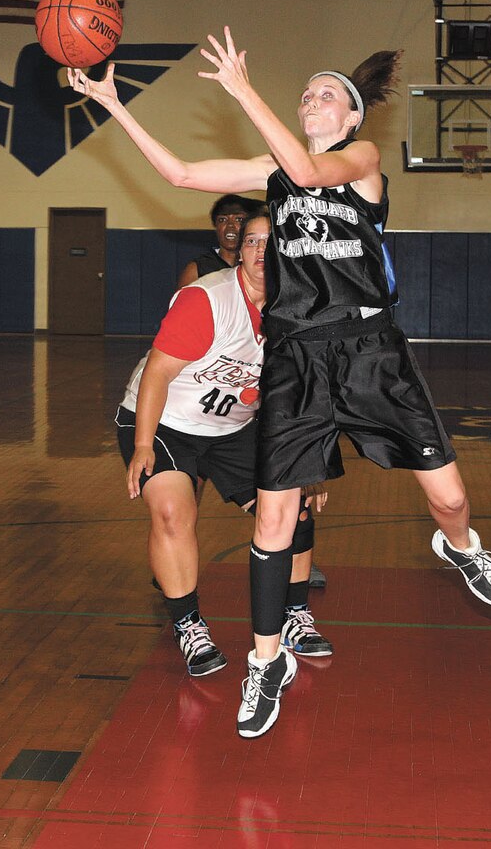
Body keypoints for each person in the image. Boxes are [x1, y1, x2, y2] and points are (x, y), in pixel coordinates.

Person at [69, 28, 491, 737]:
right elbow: (181, 174)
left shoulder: (362, 162)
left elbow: (308, 172)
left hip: (371, 350)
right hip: (297, 360)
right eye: (303, 93)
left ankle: (461, 547)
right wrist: (114, 105)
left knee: (451, 497)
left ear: (349, 118)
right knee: (274, 521)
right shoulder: (270, 174)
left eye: (324, 93)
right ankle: (265, 660)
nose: (310, 99)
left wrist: (244, 89)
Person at [116, 212, 332, 677]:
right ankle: (189, 625)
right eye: (251, 241)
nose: (258, 250)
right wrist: (142, 445)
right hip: (165, 420)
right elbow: (156, 373)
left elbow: (307, 391)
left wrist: (309, 460)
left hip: (234, 429)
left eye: (269, 241)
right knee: (174, 512)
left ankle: (294, 615)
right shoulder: (207, 299)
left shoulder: (300, 309)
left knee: (294, 510)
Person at [177, 194, 327, 588]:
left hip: (251, 407)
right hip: (198, 404)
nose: (231, 226)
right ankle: (173, 567)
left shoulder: (283, 285)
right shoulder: (203, 275)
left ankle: (291, 563)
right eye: (223, 220)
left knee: (289, 497)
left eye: (239, 221)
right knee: (181, 501)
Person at [177, 194, 264, 288]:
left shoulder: (259, 264)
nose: (230, 225)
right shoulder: (198, 269)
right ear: (216, 226)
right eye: (222, 220)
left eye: (238, 219)